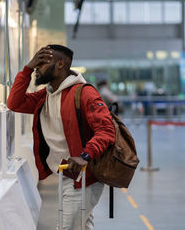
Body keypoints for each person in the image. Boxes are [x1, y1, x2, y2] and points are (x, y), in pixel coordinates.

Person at [7, 44, 115, 230]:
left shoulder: (84, 93)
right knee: (80, 226)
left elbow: (106, 130)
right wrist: (27, 68)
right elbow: (14, 103)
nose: (36, 69)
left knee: (67, 227)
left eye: (41, 64)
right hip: (66, 173)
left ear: (60, 64)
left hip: (84, 175)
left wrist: (85, 156)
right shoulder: (46, 95)